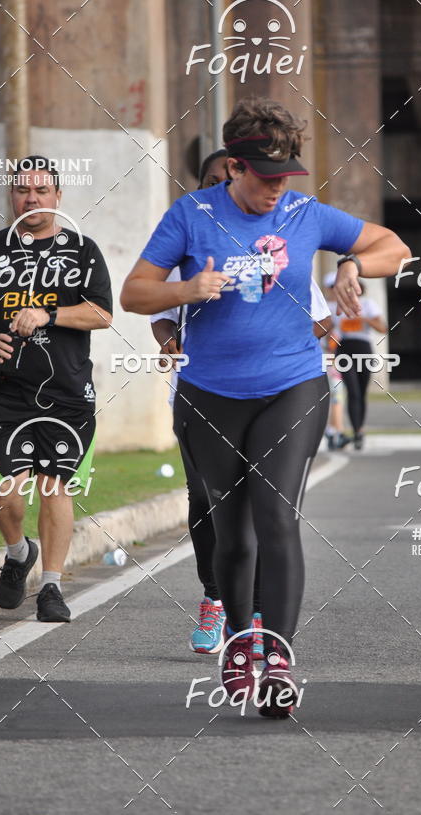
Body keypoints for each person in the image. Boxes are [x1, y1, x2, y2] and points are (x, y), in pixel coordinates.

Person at [121, 97, 409, 717]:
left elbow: (394, 246)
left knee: (277, 519)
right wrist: (186, 288)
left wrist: (354, 265)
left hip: (292, 386)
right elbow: (135, 293)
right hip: (211, 394)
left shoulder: (306, 212)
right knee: (233, 536)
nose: (277, 188)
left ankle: (277, 656)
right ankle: (238, 642)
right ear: (233, 169)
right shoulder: (191, 215)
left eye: (285, 176)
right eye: (265, 178)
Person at [150, 149, 332, 659]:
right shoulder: (188, 238)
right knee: (207, 504)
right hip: (201, 395)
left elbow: (321, 321)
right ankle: (217, 601)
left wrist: (271, 322)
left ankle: (258, 624)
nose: (213, 196)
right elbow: (156, 308)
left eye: (220, 183)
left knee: (266, 509)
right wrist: (172, 338)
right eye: (205, 185)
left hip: (273, 390)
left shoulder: (277, 246)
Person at [0, 156, 112, 622]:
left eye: (42, 190)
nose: (32, 198)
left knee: (55, 484)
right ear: (12, 196)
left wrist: (49, 314)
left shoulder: (82, 250)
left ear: (58, 197)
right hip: (5, 387)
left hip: (66, 390)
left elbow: (102, 314)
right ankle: (18, 551)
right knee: (5, 486)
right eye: (23, 190)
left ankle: (51, 588)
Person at [324, 272, 387, 450]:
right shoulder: (336, 306)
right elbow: (327, 330)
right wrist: (332, 330)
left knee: (361, 391)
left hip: (363, 348)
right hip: (343, 350)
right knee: (352, 391)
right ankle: (354, 431)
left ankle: (359, 430)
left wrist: (364, 319)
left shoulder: (367, 304)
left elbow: (383, 328)